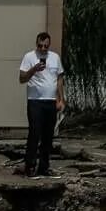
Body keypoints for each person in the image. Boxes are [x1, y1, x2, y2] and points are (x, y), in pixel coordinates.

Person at [18, 31, 63, 175]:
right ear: (36, 44)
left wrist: (61, 99)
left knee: (48, 136)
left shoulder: (55, 57)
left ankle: (44, 167)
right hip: (35, 102)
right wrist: (34, 69)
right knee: (34, 133)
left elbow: (59, 78)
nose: (43, 49)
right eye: (40, 46)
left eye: (46, 46)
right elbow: (22, 78)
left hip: (50, 101)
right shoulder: (29, 57)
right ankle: (30, 166)